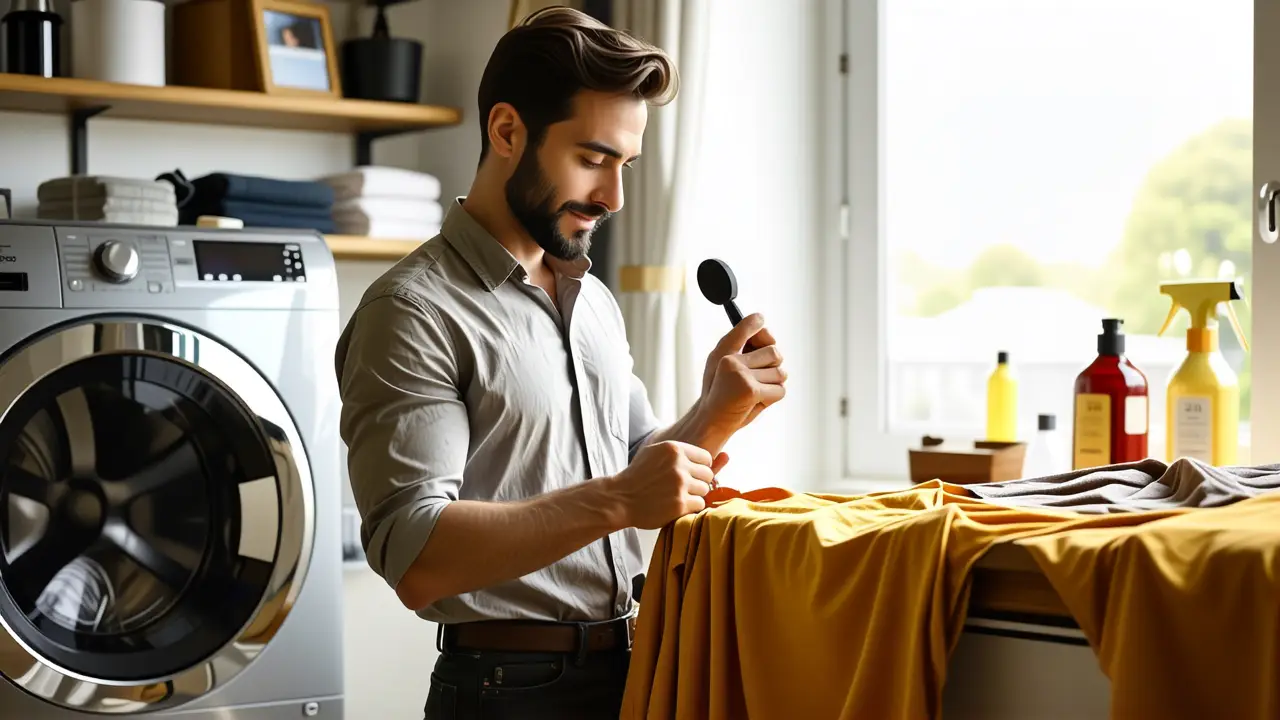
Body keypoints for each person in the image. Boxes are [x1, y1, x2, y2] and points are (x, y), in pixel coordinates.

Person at [334, 6, 788, 719]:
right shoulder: (411, 311)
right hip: (507, 692)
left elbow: (640, 471)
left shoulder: (593, 301)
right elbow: (416, 559)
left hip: (634, 666)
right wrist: (616, 500)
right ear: (508, 132)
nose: (613, 197)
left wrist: (718, 412)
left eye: (625, 164)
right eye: (592, 159)